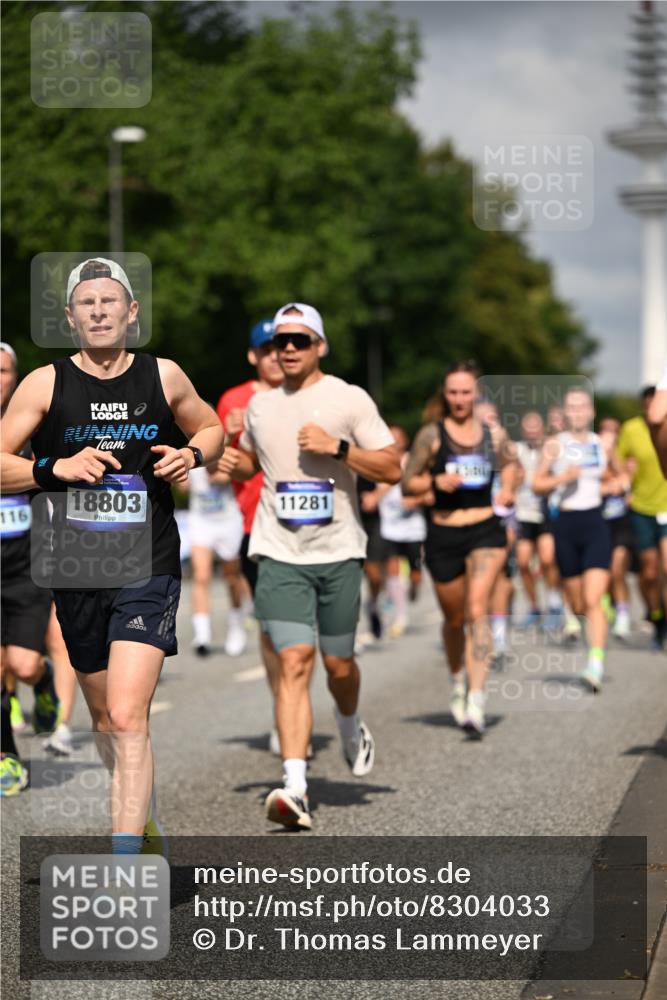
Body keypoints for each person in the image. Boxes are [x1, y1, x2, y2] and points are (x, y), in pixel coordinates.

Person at [0, 259, 224, 847]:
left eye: (110, 301)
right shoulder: (44, 384)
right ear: (70, 317)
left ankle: (126, 868)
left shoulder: (163, 376)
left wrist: (191, 455)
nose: (99, 311)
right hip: (75, 569)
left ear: (132, 312)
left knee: (127, 717)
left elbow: (212, 428)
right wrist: (53, 468)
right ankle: (142, 819)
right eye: (87, 303)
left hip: (147, 563)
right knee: (104, 720)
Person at [221, 302, 400, 829]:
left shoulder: (348, 398)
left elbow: (391, 467)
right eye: (281, 341)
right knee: (294, 660)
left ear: (320, 345)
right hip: (279, 551)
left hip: (339, 551)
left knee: (338, 665)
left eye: (300, 340)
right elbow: (252, 461)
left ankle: (348, 721)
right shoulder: (260, 406)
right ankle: (295, 786)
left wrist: (338, 447)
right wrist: (233, 459)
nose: (289, 349)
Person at [402, 361, 517, 736]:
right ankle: (457, 681)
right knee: (454, 620)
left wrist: (508, 488)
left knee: (476, 609)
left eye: (466, 392)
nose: (459, 399)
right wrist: (435, 482)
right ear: (444, 394)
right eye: (453, 392)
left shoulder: (493, 434)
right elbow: (407, 483)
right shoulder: (431, 435)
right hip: (443, 533)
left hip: (485, 529)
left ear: (476, 394)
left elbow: (512, 466)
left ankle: (477, 698)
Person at [216, 320, 283, 750]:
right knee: (274, 628)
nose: (276, 356)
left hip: (308, 528)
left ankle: (294, 704)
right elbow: (214, 466)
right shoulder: (234, 400)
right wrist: (228, 432)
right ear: (253, 355)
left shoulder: (308, 395)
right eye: (267, 349)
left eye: (282, 347)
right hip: (255, 527)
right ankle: (284, 711)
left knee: (304, 633)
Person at [1, 342, 59, 795]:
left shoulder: (34, 419)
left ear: (15, 377)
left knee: (22, 664)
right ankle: (8, 757)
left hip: (27, 566)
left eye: (3, 371)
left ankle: (43, 680)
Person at [532, 387, 616, 690]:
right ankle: (588, 617)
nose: (578, 412)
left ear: (591, 412)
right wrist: (562, 478)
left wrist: (618, 484)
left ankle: (595, 663)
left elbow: (619, 475)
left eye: (582, 406)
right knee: (579, 602)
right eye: (572, 407)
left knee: (592, 599)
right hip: (566, 524)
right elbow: (536, 483)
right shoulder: (555, 445)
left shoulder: (601, 444)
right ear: (565, 413)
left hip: (595, 522)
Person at [180, 461, 247, 657]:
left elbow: (232, 477)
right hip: (201, 520)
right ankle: (202, 635)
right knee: (201, 576)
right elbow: (182, 486)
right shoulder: (191, 456)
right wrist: (181, 481)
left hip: (228, 521)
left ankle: (236, 625)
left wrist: (221, 472)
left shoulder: (226, 456)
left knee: (232, 578)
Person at [618, 386, 667, 650]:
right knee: (648, 571)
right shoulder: (631, 429)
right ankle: (655, 615)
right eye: (648, 406)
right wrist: (624, 477)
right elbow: (617, 462)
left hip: (666, 507)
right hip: (641, 507)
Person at [377, 425, 430, 638]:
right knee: (392, 571)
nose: (395, 441)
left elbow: (429, 492)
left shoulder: (413, 461)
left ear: (405, 441)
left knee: (415, 576)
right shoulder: (380, 460)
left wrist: (414, 500)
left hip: (413, 529)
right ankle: (401, 617)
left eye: (398, 437)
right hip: (389, 527)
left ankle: (414, 588)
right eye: (391, 437)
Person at [514, 411, 563, 630]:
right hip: (523, 514)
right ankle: (534, 607)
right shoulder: (516, 450)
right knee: (523, 562)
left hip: (545, 513)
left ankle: (554, 602)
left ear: (542, 428)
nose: (532, 431)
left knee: (547, 559)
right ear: (523, 430)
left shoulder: (551, 450)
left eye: (536, 426)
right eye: (528, 427)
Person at [598, 417, 633, 639]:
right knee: (603, 572)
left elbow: (627, 482)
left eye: (613, 431)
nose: (609, 435)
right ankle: (606, 606)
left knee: (617, 569)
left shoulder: (625, 459)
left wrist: (613, 457)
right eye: (605, 430)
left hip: (621, 523)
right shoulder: (592, 459)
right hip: (599, 523)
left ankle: (623, 614)